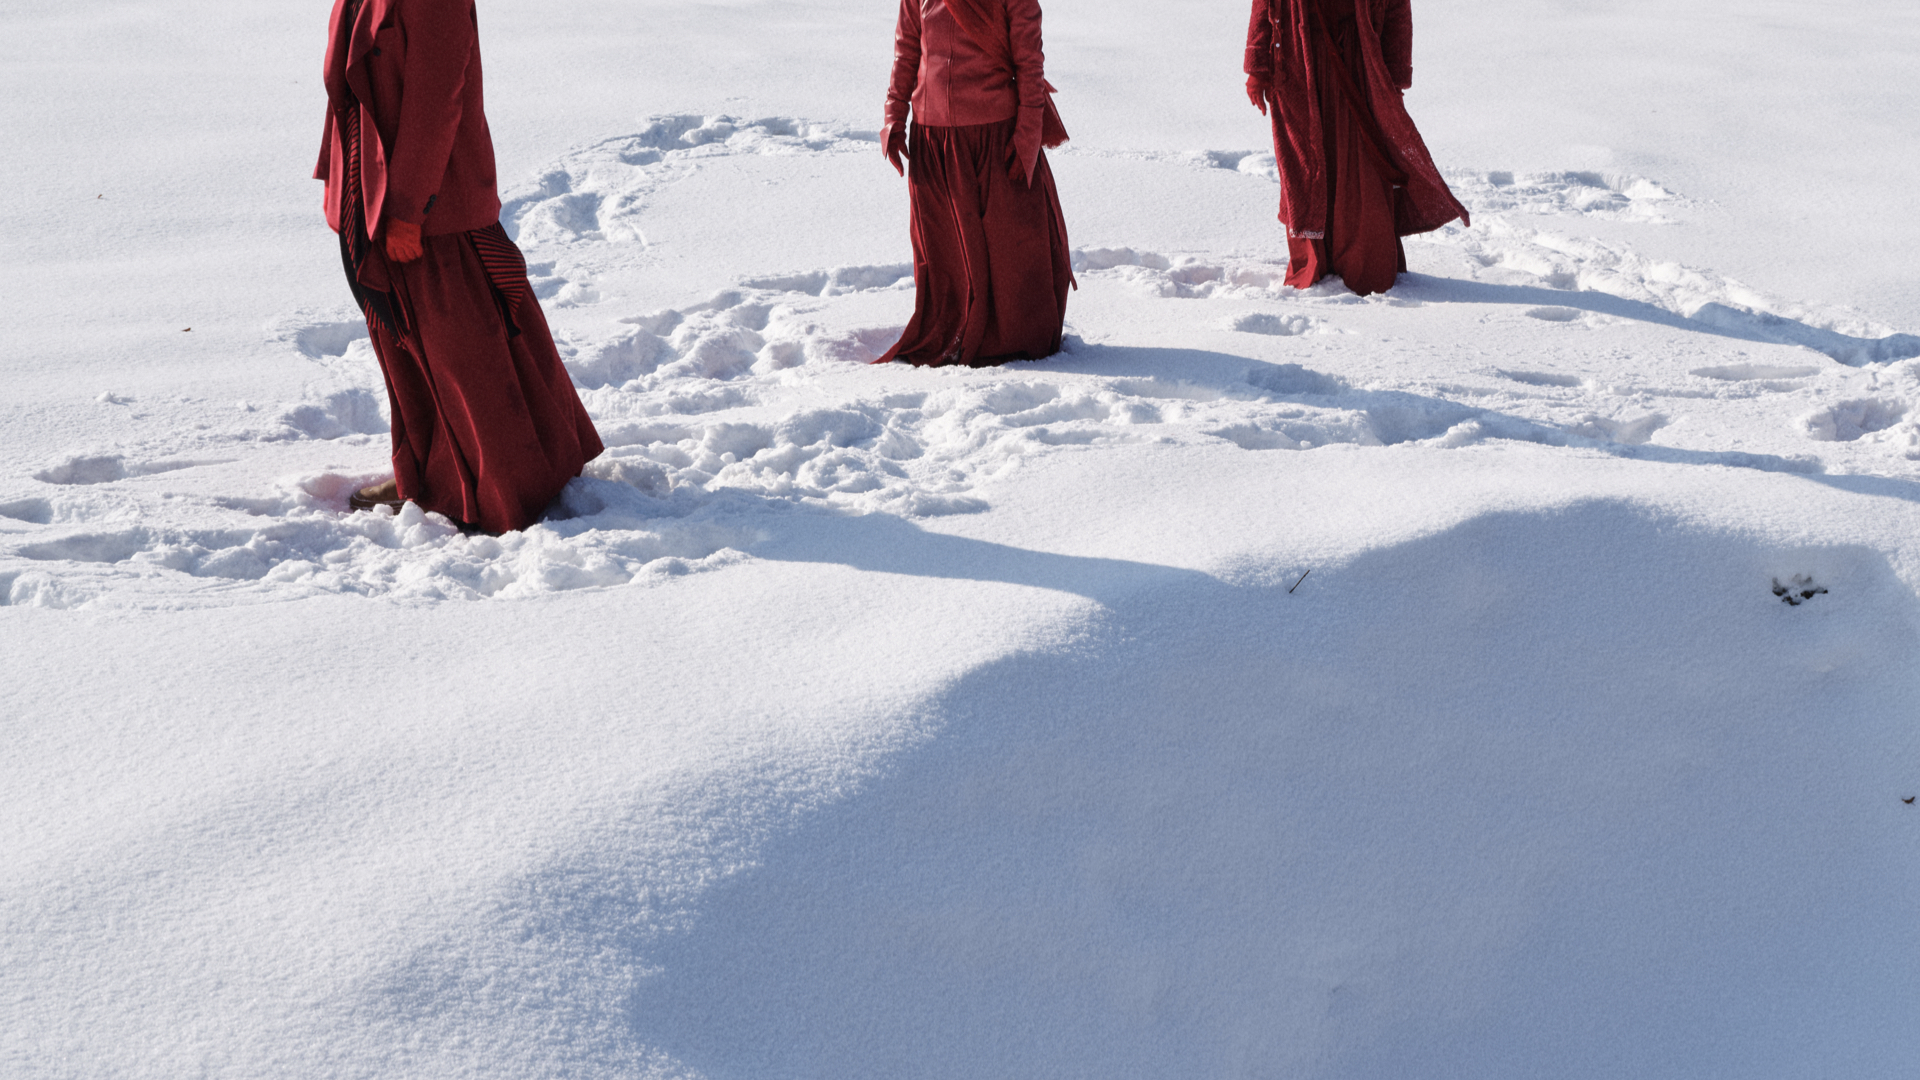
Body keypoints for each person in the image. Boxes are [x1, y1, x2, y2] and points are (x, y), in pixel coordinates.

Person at [316, 0, 602, 533]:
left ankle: (502, 489)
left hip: (431, 207)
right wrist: (344, 182)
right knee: (409, 345)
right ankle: (429, 474)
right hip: (369, 192)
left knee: (464, 350)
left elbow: (436, 96)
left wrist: (407, 209)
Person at [876, 0, 1076, 367]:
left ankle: (1013, 340)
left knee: (1010, 248)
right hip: (934, 142)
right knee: (945, 252)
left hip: (997, 141)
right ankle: (955, 336)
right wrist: (894, 115)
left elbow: (1029, 62)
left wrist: (1028, 131)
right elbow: (907, 49)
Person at [1244, 0, 1469, 296]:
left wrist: (1395, 75)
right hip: (1299, 62)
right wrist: (1257, 68)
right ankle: (1316, 261)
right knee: (1307, 166)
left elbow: (1397, 8)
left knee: (1362, 164)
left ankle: (1364, 265)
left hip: (1359, 63)